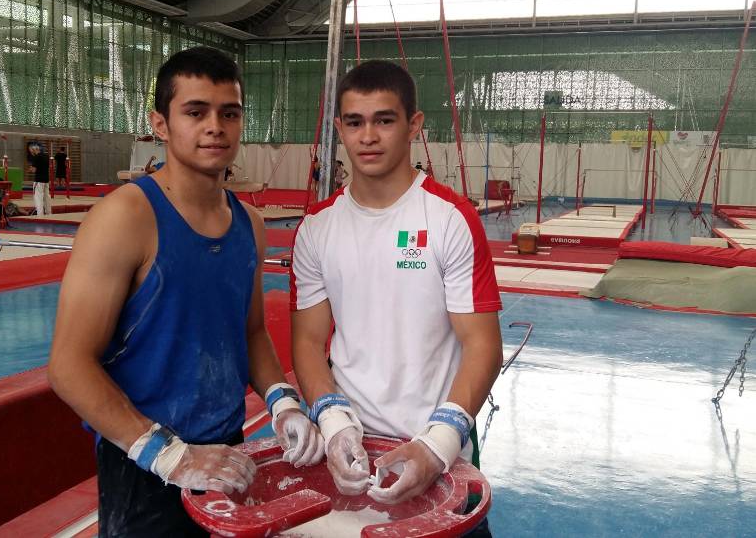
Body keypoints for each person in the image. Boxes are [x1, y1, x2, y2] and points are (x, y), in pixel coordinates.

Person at [48, 47, 324, 536]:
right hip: (145, 461)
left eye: (229, 113)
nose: (214, 126)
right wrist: (168, 456)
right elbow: (69, 367)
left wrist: (282, 402)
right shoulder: (123, 219)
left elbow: (253, 331)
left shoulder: (249, 224)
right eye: (195, 112)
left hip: (229, 450)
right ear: (160, 123)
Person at [291, 59, 503, 520]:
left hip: (437, 443)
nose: (368, 136)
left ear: (413, 125)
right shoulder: (316, 228)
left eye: (384, 120)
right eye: (355, 122)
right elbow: (307, 341)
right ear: (339, 129)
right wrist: (331, 422)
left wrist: (439, 442)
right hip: (350, 446)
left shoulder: (450, 219)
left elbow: (482, 344)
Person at [27, 142, 51, 215]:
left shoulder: (36, 157)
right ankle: (48, 212)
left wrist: (30, 169)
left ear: (34, 149)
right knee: (47, 197)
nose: (31, 152)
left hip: (39, 180)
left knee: (38, 197)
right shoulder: (46, 156)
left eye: (31, 150)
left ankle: (40, 214)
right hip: (46, 180)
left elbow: (34, 170)